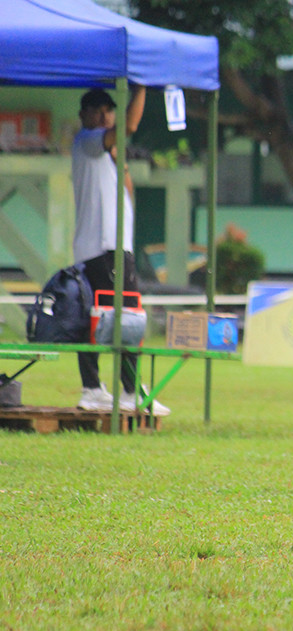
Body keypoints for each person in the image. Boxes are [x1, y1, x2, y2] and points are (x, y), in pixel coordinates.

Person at [72, 86, 169, 415]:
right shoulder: (87, 140)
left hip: (111, 247)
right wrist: (141, 86)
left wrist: (121, 161)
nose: (103, 115)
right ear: (84, 115)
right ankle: (126, 390)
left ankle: (99, 387)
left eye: (108, 110)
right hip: (103, 247)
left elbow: (128, 194)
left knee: (107, 317)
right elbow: (127, 128)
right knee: (122, 316)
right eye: (96, 110)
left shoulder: (109, 154)